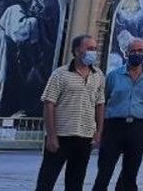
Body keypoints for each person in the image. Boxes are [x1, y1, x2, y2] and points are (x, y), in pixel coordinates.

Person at [36, 34, 106, 191]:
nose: (92, 52)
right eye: (89, 48)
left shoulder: (98, 75)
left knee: (76, 181)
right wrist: (52, 136)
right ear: (76, 50)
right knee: (47, 180)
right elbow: (49, 104)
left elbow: (100, 104)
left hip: (85, 136)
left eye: (95, 49)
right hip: (62, 135)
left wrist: (99, 132)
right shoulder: (60, 74)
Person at [0, 0, 55, 117]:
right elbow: (18, 32)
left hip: (7, 45)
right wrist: (35, 21)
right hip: (0, 44)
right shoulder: (15, 8)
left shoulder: (24, 10)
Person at [93, 37, 143, 191]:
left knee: (130, 173)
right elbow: (103, 100)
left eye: (140, 51)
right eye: (133, 51)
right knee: (104, 171)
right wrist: (99, 130)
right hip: (114, 126)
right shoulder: (113, 76)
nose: (137, 54)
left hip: (138, 127)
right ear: (126, 53)